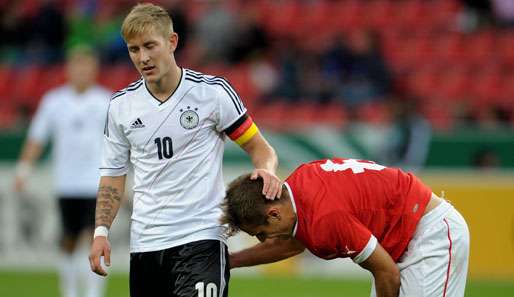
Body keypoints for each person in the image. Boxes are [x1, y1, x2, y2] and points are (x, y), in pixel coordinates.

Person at [88, 3, 281, 297]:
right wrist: (101, 231)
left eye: (150, 46)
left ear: (172, 41)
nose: (143, 57)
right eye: (134, 49)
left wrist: (266, 171)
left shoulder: (212, 94)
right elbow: (113, 177)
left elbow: (260, 148)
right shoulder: (120, 107)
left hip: (202, 238)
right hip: (146, 245)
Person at [222, 158, 470, 297]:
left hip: (431, 234)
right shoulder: (300, 185)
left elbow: (387, 274)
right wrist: (231, 260)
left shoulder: (326, 217)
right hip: (406, 236)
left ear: (273, 213)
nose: (265, 240)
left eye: (261, 234)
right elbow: (292, 243)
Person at [14, 45, 110, 297]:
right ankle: (69, 290)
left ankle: (93, 292)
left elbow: (121, 142)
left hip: (96, 181)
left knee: (94, 237)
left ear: (94, 70)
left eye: (86, 66)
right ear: (69, 69)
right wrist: (23, 169)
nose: (81, 71)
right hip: (67, 182)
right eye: (76, 66)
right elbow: (37, 138)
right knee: (68, 239)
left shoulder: (106, 100)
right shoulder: (54, 101)